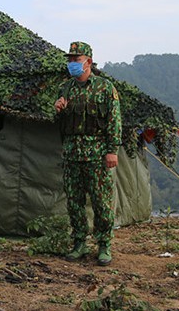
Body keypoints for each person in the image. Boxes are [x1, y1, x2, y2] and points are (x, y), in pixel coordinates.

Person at [54, 41, 122, 266]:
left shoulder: (105, 87)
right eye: (70, 59)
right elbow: (59, 123)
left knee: (102, 202)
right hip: (72, 153)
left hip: (98, 154)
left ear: (88, 62)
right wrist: (58, 111)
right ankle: (79, 243)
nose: (72, 63)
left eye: (76, 59)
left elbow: (114, 121)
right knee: (74, 202)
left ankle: (104, 245)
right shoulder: (66, 89)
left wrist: (112, 150)